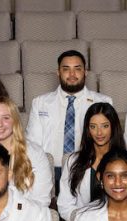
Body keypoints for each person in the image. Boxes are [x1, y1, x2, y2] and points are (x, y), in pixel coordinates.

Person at [26, 50, 113, 182]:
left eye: (77, 69)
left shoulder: (103, 102)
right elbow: (32, 143)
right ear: (58, 72)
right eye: (66, 69)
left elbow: (110, 142)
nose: (72, 74)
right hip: (49, 170)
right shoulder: (40, 103)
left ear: (85, 72)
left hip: (89, 168)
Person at [57, 102, 127, 221]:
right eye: (93, 127)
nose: (99, 133)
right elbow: (64, 205)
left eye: (105, 126)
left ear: (113, 127)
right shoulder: (73, 161)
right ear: (87, 130)